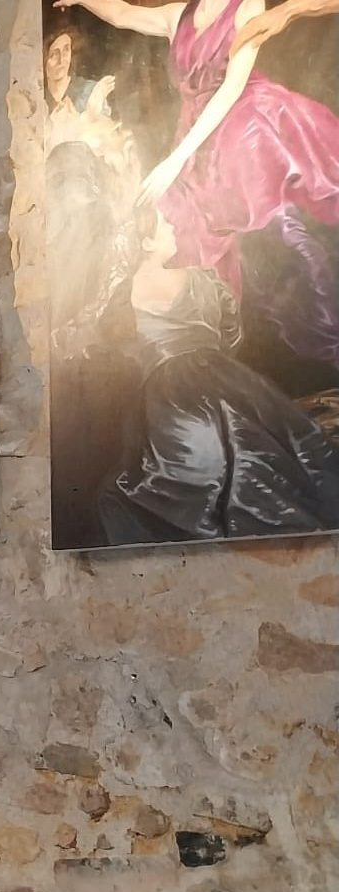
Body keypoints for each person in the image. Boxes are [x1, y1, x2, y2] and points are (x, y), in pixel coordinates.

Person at [57, 0, 339, 368]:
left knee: (272, 237)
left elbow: (231, 90)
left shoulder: (246, 6)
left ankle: (323, 349)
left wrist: (177, 160)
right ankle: (208, 350)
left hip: (243, 124)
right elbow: (124, 14)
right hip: (195, 138)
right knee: (178, 236)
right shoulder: (180, 15)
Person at [100, 210, 339, 541]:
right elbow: (232, 331)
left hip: (163, 396)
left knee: (162, 476)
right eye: (163, 224)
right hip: (225, 378)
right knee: (280, 450)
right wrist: (210, 352)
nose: (173, 225)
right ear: (146, 241)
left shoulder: (121, 297)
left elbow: (116, 350)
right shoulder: (201, 279)